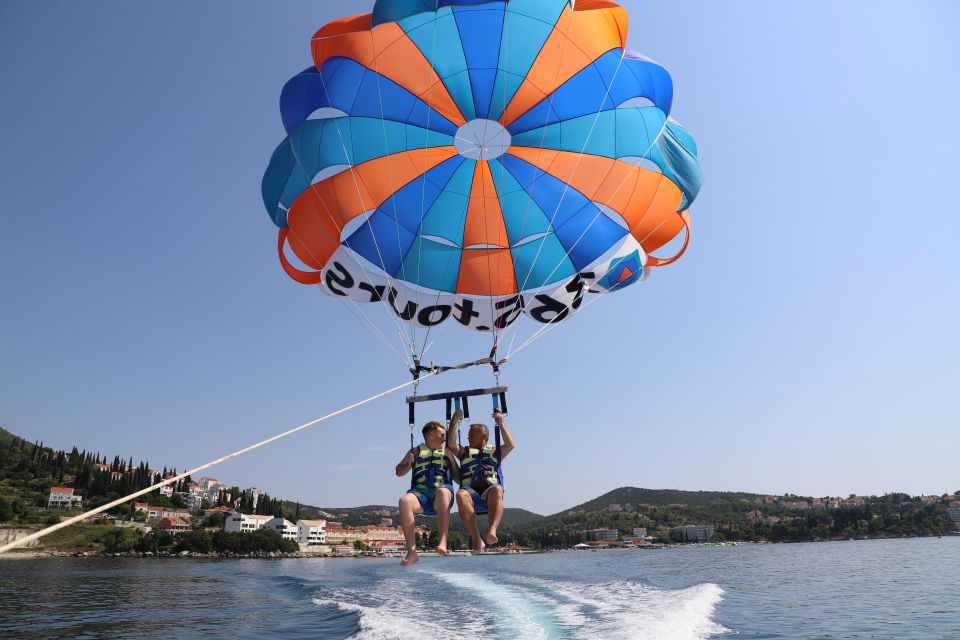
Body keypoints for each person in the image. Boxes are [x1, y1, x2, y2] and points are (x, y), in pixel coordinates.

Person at [448, 409, 515, 555]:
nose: (468, 437)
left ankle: (492, 530)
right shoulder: (464, 452)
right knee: (460, 494)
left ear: (483, 436)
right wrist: (454, 421)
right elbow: (451, 443)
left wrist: (501, 424)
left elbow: (510, 445)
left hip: (490, 493)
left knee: (497, 489)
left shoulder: (494, 452)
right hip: (471, 494)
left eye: (472, 434)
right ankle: (477, 539)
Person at [395, 420, 459, 567]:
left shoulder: (447, 452)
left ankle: (443, 541)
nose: (445, 438)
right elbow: (399, 472)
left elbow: (458, 478)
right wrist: (408, 463)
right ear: (431, 435)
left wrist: (451, 459)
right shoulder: (416, 451)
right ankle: (412, 552)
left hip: (441, 497)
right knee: (404, 500)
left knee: (442, 491)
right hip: (420, 496)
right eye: (442, 434)